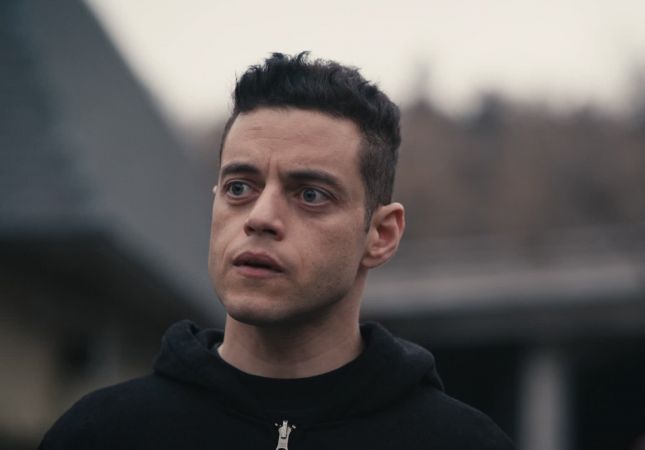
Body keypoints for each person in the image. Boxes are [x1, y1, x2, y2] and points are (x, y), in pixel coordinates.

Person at [39, 52, 515, 450]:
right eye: (239, 187)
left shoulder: (461, 443)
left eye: (310, 194)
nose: (260, 217)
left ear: (381, 234)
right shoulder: (100, 435)